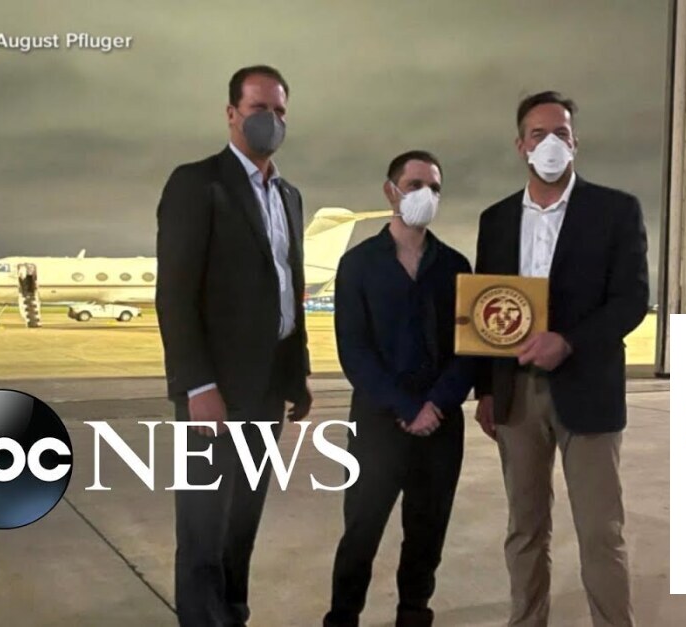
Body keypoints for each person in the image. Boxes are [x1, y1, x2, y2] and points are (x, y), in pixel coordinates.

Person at [474, 91, 649, 627]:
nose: (550, 143)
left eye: (561, 133)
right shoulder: (496, 219)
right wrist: (486, 390)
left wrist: (568, 341)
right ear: (520, 145)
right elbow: (486, 310)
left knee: (600, 532)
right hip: (517, 394)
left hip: (588, 389)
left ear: (575, 143)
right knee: (525, 528)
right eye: (538, 134)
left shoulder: (615, 211)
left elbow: (631, 300)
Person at [155, 64, 313, 627]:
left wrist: (298, 375)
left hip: (269, 388)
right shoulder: (198, 184)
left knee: (243, 522)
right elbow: (175, 295)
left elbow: (288, 289)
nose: (271, 120)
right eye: (258, 108)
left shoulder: (289, 196)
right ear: (231, 114)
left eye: (280, 111)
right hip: (215, 392)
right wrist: (198, 385)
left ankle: (233, 615)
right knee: (204, 527)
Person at [324, 151, 474, 627]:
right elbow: (354, 351)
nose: (425, 195)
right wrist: (407, 407)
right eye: (414, 185)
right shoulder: (358, 265)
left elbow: (469, 349)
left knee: (427, 532)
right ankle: (343, 616)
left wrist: (437, 404)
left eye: (434, 187)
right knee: (361, 530)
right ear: (390, 191)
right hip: (378, 422)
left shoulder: (456, 266)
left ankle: (413, 612)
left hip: (440, 424)